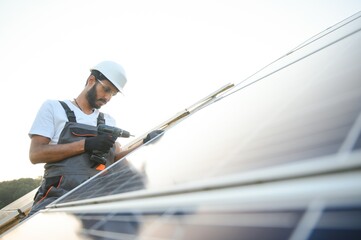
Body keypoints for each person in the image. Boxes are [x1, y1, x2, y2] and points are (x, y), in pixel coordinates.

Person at [27, 60, 163, 217]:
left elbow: (115, 160)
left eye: (113, 93)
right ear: (91, 80)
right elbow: (36, 154)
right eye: (106, 89)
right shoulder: (54, 108)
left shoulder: (108, 121)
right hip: (57, 197)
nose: (107, 97)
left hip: (95, 198)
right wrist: (86, 144)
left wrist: (144, 144)